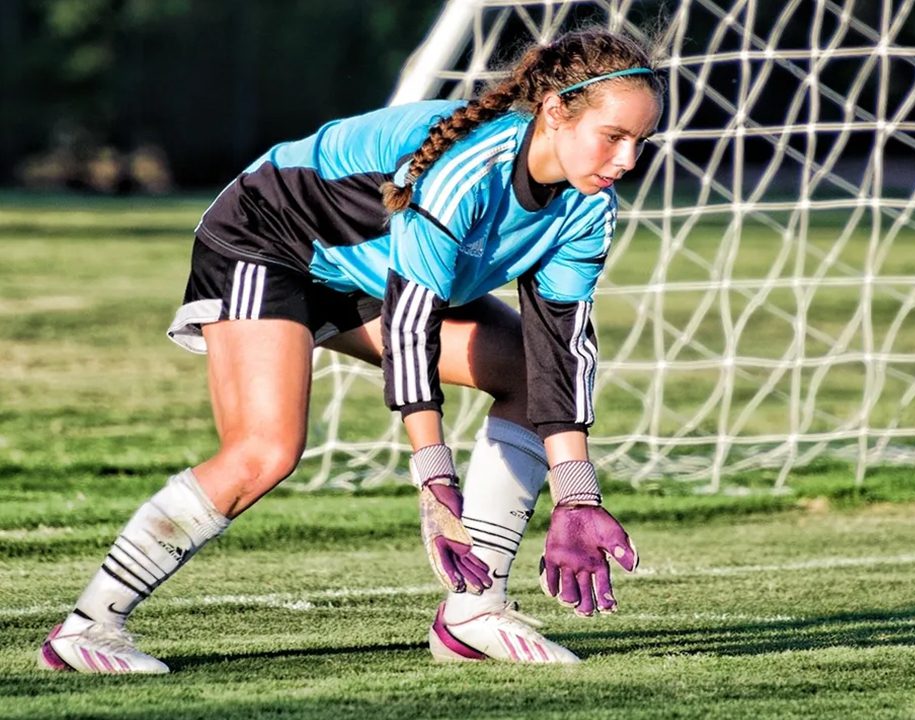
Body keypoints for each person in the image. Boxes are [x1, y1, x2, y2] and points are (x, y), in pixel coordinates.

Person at [38, 27, 664, 673]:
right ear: (555, 111)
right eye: (613, 136)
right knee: (265, 451)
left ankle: (474, 612)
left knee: (530, 375)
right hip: (270, 243)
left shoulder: (587, 208)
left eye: (641, 142)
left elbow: (559, 351)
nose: (627, 159)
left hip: (371, 274)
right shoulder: (465, 171)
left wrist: (578, 498)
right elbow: (412, 329)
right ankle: (87, 629)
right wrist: (434, 479)